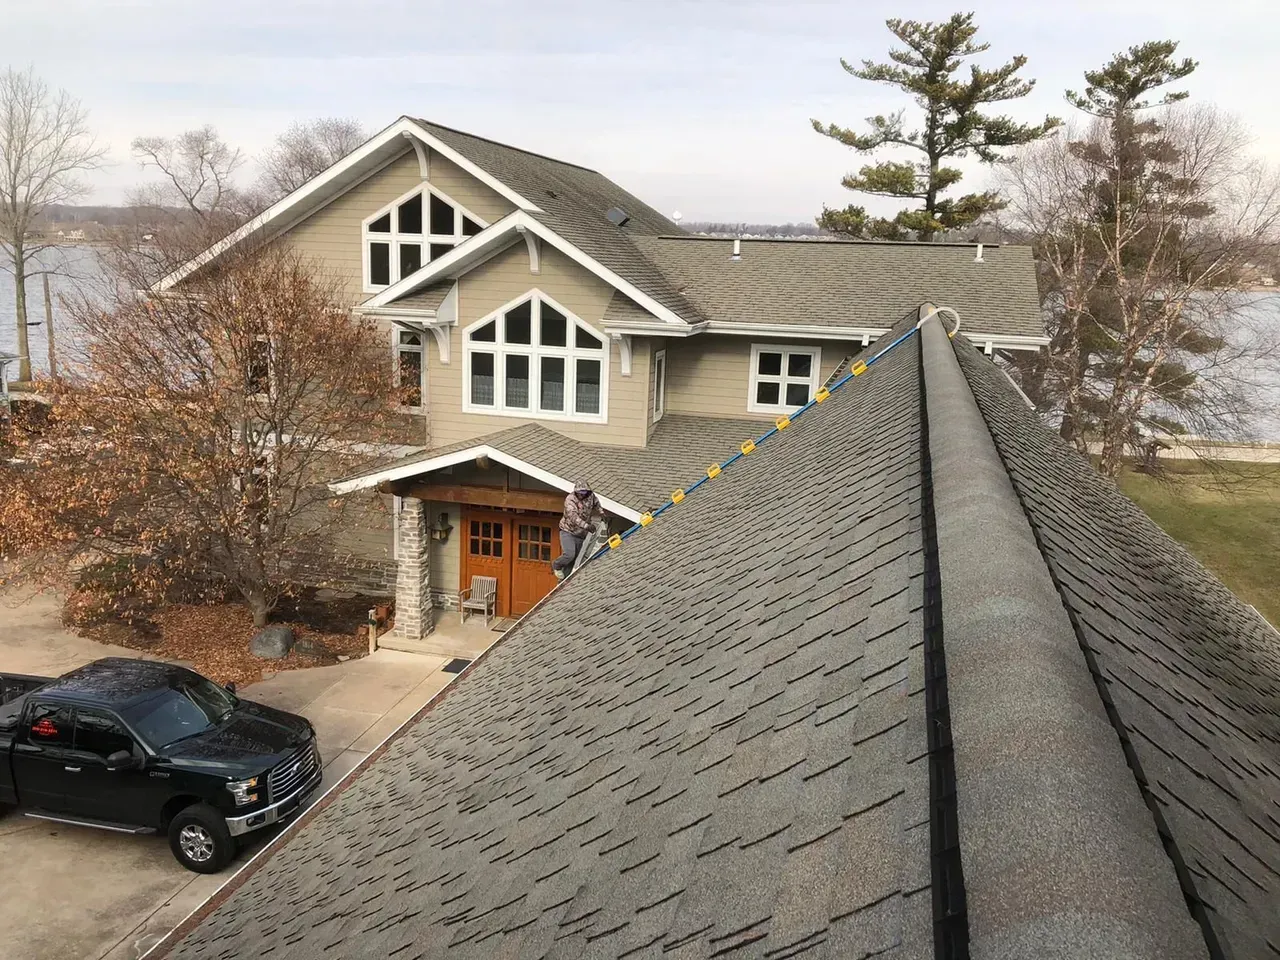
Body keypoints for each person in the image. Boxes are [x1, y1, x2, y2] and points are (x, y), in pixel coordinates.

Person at [552, 481, 601, 579]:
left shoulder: (591, 496)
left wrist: (602, 512)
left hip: (580, 534)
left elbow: (596, 503)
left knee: (573, 559)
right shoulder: (570, 500)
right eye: (580, 493)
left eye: (584, 493)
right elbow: (574, 518)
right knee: (570, 554)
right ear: (576, 492)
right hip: (568, 531)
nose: (582, 495)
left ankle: (564, 579)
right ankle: (556, 565)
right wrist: (587, 526)